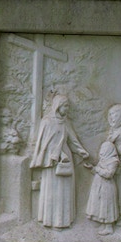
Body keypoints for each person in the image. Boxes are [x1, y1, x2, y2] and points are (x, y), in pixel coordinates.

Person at [28, 91, 89, 228]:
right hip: (52, 162)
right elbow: (44, 143)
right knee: (52, 192)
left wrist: (82, 151)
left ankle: (63, 221)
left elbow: (73, 140)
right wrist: (57, 153)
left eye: (68, 106)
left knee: (65, 191)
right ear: (57, 106)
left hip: (66, 160)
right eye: (65, 106)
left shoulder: (65, 122)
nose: (67, 109)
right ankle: (50, 221)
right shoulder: (47, 122)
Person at [85, 140, 120, 234]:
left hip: (107, 187)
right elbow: (98, 171)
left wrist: (96, 169)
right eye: (101, 148)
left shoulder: (113, 161)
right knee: (101, 205)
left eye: (103, 149)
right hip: (99, 185)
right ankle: (103, 223)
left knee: (107, 205)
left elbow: (109, 174)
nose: (101, 151)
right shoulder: (103, 159)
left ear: (109, 150)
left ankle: (109, 227)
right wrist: (91, 168)